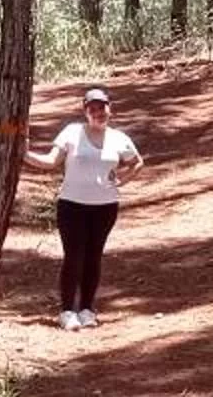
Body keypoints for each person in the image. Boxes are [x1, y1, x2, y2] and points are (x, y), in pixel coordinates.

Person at [23, 87, 145, 331]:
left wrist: (121, 179)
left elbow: (137, 162)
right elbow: (51, 161)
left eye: (102, 108)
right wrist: (24, 154)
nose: (98, 113)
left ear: (110, 109)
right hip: (71, 205)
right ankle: (68, 311)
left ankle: (87, 309)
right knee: (74, 256)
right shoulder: (71, 133)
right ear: (85, 112)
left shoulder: (119, 139)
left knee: (93, 256)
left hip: (105, 206)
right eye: (93, 109)